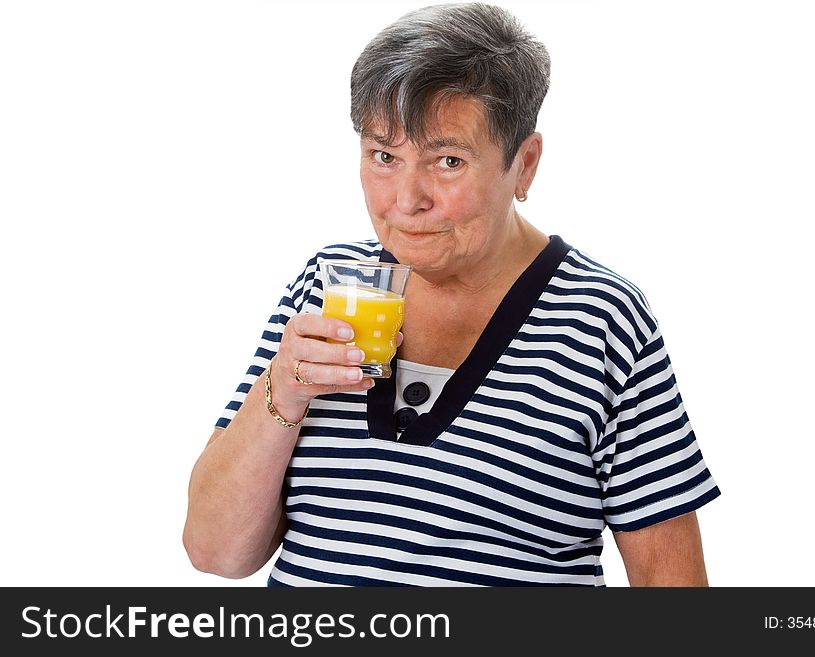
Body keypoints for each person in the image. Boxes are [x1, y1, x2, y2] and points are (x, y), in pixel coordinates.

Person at [183, 2, 720, 587]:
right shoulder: (327, 284)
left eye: (447, 161)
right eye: (384, 156)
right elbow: (216, 553)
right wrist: (282, 389)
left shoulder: (599, 321)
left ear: (525, 165)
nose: (406, 199)